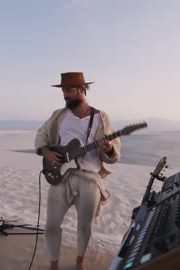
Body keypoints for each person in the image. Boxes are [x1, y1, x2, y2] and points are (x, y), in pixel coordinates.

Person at [35, 72, 121, 270]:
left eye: (69, 90)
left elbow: (115, 154)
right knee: (51, 225)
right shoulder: (58, 115)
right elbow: (41, 136)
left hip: (89, 178)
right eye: (63, 90)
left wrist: (108, 148)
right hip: (60, 176)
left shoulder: (101, 117)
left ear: (82, 90)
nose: (65, 95)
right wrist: (47, 152)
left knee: (84, 226)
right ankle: (53, 264)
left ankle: (80, 261)